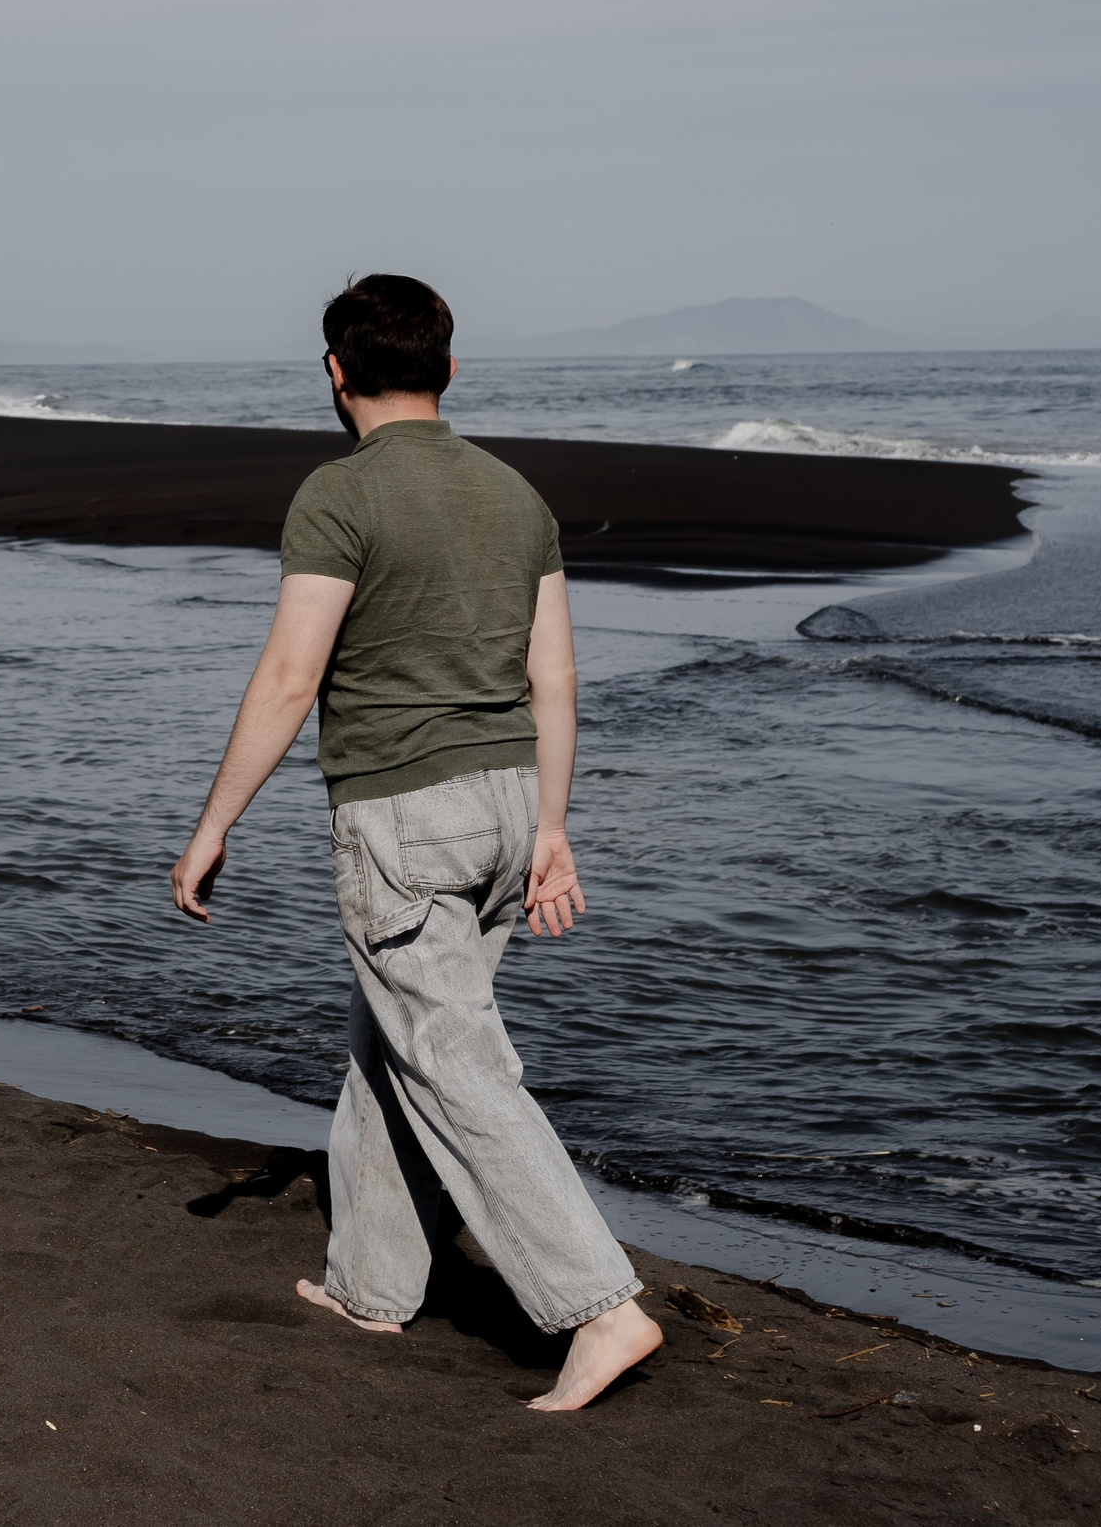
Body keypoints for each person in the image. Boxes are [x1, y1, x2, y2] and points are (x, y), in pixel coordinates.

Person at [169, 274, 660, 1413]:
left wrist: (211, 828)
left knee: (452, 1061)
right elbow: (556, 676)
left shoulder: (337, 497)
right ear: (449, 368)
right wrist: (549, 826)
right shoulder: (515, 494)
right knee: (392, 1045)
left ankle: (599, 1306)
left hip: (405, 814)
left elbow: (291, 676)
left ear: (334, 373)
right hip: (500, 805)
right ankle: (375, 1283)